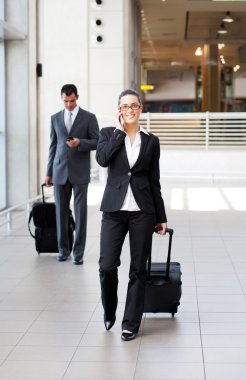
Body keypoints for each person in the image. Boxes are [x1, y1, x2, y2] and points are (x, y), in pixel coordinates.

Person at [96, 89, 167, 341]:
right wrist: (118, 133)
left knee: (138, 269)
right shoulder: (107, 134)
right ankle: (109, 309)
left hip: (142, 213)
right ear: (119, 110)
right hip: (114, 211)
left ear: (140, 108)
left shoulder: (151, 140)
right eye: (124, 106)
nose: (129, 110)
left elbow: (154, 181)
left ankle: (130, 323)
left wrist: (161, 216)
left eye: (133, 105)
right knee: (106, 266)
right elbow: (102, 160)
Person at [45, 84, 99, 264]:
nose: (69, 104)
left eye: (72, 101)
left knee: (80, 213)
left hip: (80, 172)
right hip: (59, 171)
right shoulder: (54, 118)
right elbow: (53, 146)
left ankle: (79, 253)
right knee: (60, 213)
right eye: (66, 101)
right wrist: (48, 173)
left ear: (78, 97)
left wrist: (80, 143)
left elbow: (98, 142)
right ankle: (63, 250)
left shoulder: (89, 118)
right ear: (62, 99)